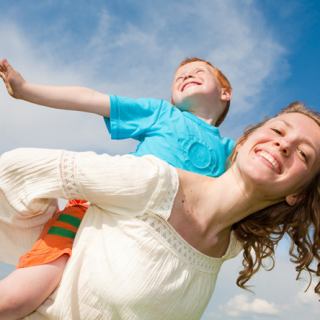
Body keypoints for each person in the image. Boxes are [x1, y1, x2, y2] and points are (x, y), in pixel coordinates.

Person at [0, 102, 319, 320]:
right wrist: (46, 244)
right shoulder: (151, 182)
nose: (284, 144)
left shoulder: (230, 246)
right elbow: (15, 172)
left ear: (297, 194)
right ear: (243, 141)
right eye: (278, 131)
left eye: (304, 154)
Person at [0, 57, 233, 318]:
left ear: (225, 92)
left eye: (198, 72)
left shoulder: (232, 154)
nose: (185, 76)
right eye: (178, 76)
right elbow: (89, 98)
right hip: (90, 215)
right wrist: (25, 90)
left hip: (143, 247)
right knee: (17, 298)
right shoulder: (162, 114)